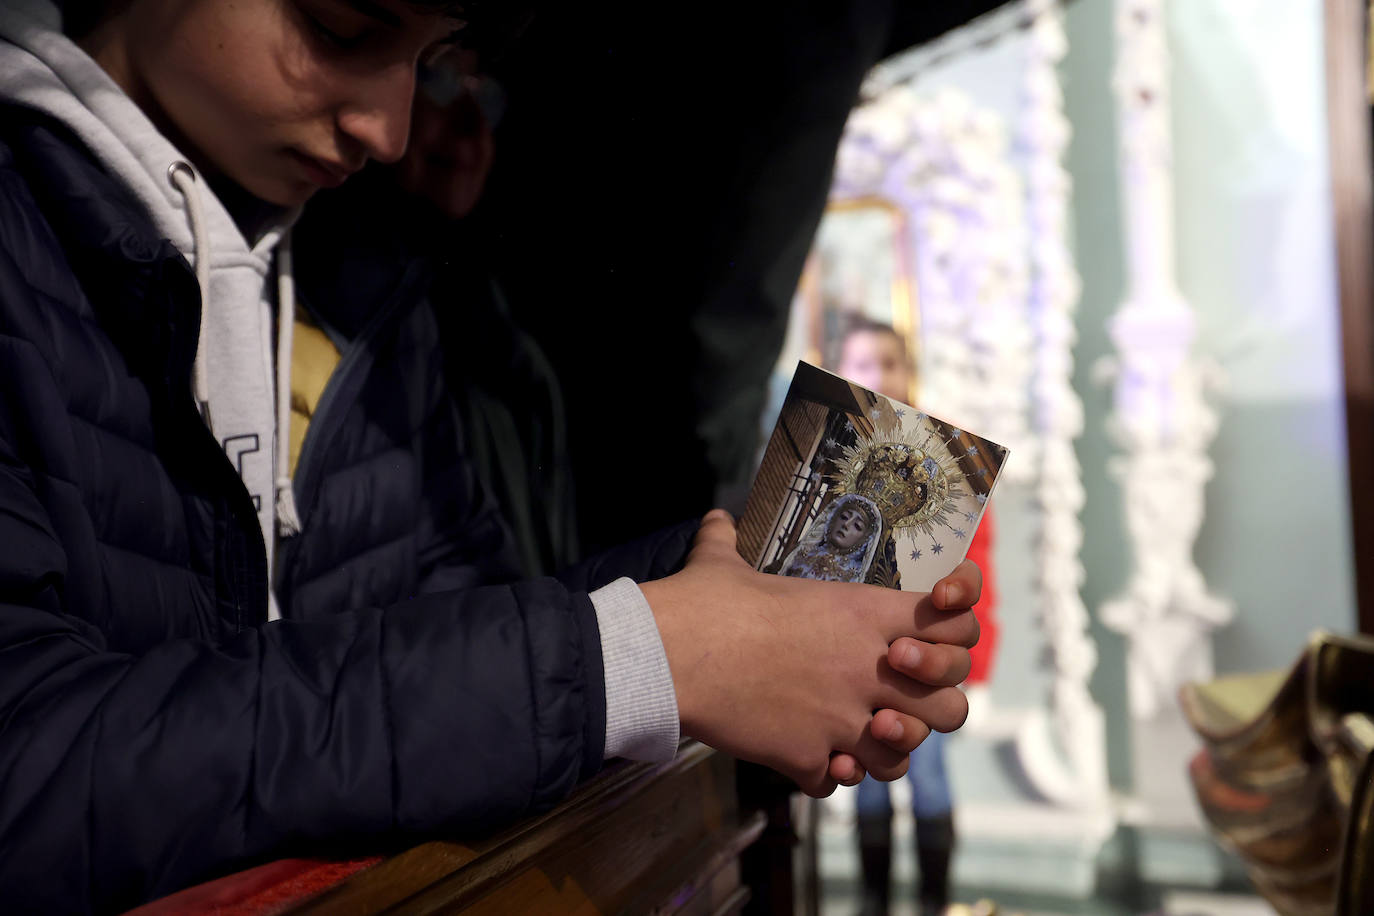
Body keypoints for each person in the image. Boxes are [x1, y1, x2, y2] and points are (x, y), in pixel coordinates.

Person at [0, 2, 982, 911]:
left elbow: (431, 629)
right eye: (343, 27)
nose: (389, 129)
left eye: (425, 64)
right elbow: (30, 780)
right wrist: (646, 654)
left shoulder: (372, 285)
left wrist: (710, 592)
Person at [831, 315, 999, 916]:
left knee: (928, 778)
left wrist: (974, 660)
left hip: (925, 654)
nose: (877, 375)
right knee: (866, 790)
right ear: (842, 372)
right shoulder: (833, 456)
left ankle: (934, 902)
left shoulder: (951, 460)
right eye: (862, 364)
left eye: (889, 362)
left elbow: (978, 558)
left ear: (908, 372)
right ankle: (873, 901)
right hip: (854, 655)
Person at [779, 493, 884, 583]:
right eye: (844, 517)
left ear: (865, 539)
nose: (846, 524)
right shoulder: (803, 553)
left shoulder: (855, 576)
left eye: (857, 526)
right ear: (832, 519)